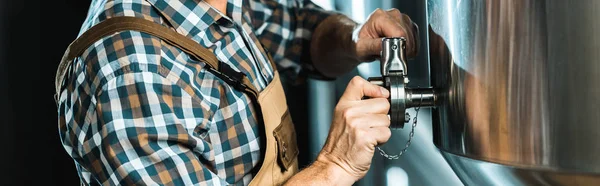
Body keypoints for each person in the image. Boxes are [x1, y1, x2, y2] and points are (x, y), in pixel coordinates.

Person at [55, 0, 418, 185]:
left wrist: (355, 39)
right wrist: (334, 166)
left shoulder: (216, 3)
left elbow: (298, 31)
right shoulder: (132, 73)